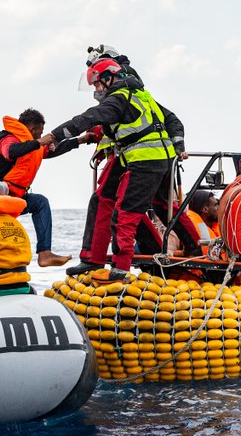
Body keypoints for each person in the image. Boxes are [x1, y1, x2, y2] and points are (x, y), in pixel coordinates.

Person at [40, 59, 186, 281]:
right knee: (102, 202)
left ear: (109, 78)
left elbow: (87, 117)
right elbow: (92, 127)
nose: (97, 91)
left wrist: (53, 135)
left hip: (146, 161)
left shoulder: (119, 99)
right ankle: (92, 259)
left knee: (125, 214)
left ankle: (121, 268)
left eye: (98, 85)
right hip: (141, 160)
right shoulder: (135, 96)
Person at [0, 108, 86, 268]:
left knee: (40, 202)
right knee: (39, 202)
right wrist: (39, 141)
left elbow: (49, 151)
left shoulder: (32, 145)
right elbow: (10, 152)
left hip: (12, 197)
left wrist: (81, 140)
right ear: (32, 130)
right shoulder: (8, 138)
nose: (40, 137)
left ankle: (45, 254)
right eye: (39, 134)